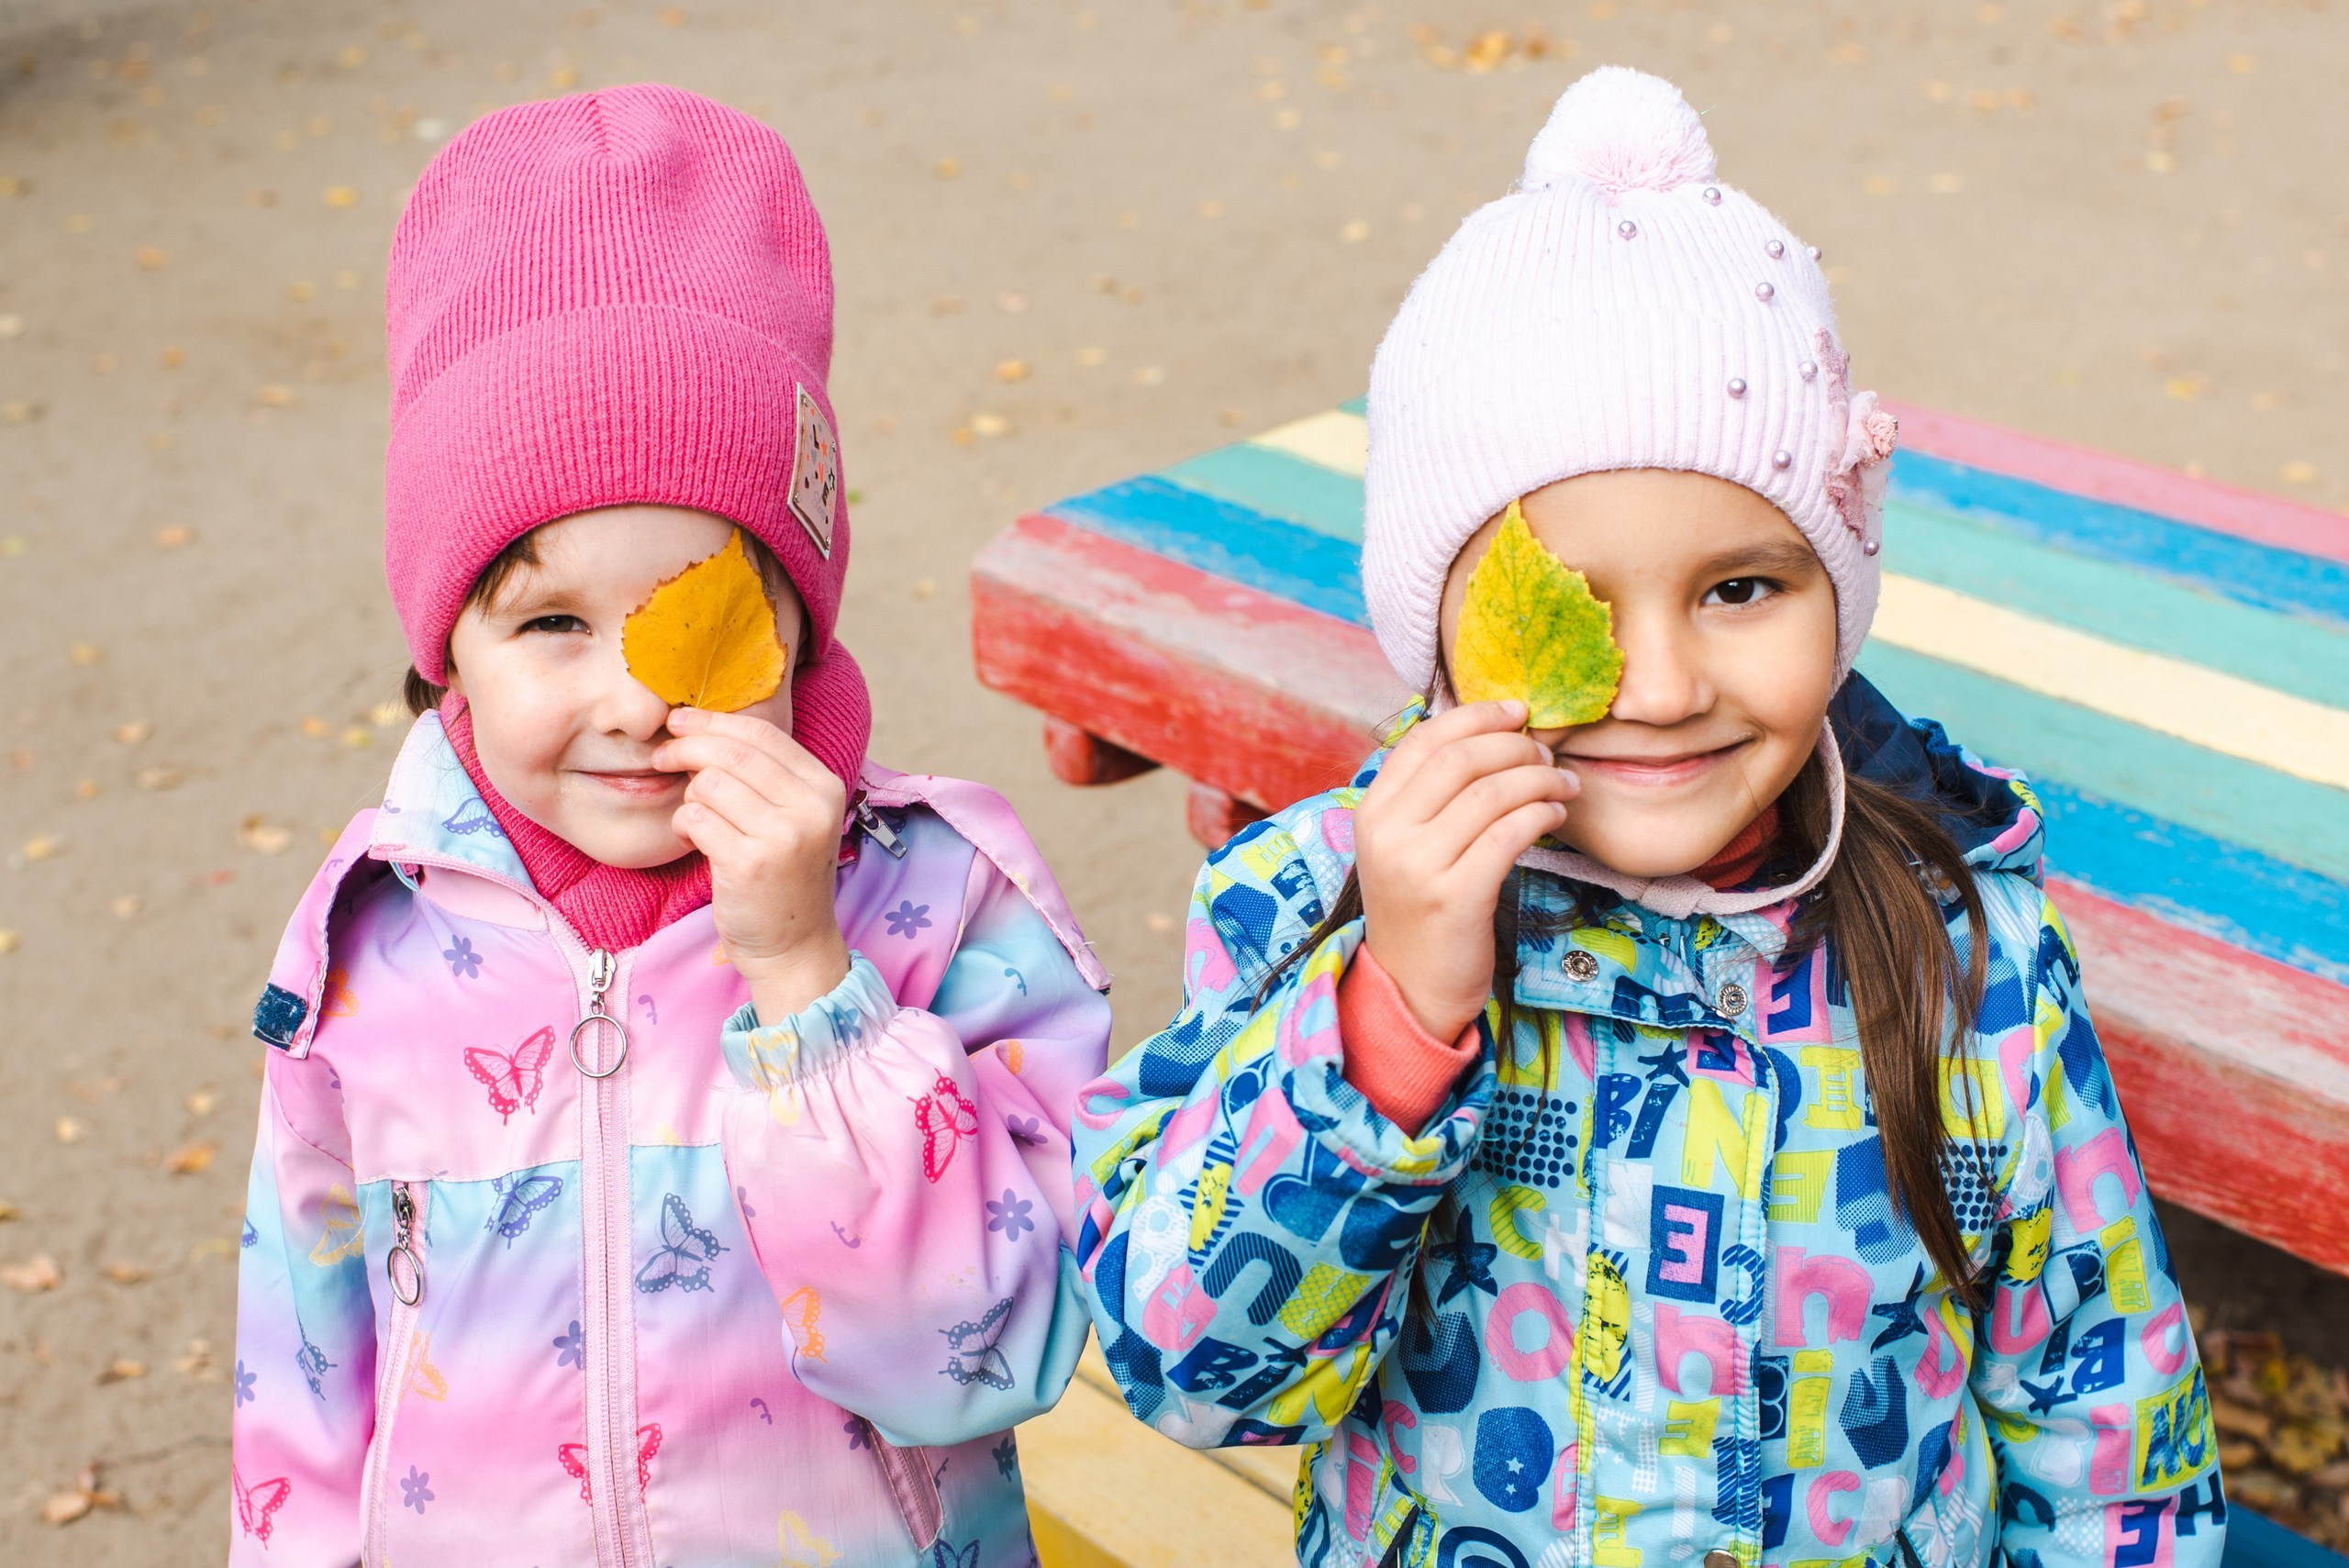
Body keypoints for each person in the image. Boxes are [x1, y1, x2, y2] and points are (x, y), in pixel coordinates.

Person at [1072, 68, 2221, 1568]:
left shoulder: (1967, 957)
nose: (1664, 687)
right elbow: (1189, 1371)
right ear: (1442, 633)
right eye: (1568, 606)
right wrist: (1392, 1019)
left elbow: (2107, 1422)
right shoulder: (1311, 906)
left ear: (1839, 594)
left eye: (1741, 587)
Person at [228, 85, 1110, 1567]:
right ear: (450, 651)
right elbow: (303, 1368)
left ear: (801, 624)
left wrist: (811, 989)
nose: (638, 699)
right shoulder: (367, 940)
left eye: (700, 622)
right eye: (553, 624)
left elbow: (989, 1360)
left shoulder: (945, 908)